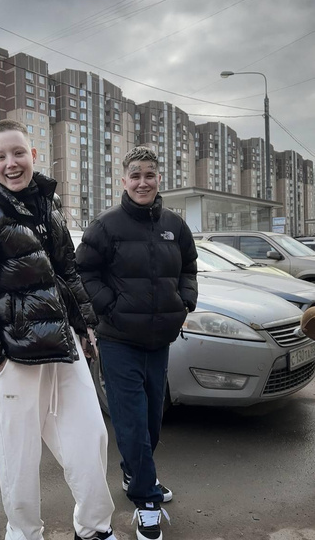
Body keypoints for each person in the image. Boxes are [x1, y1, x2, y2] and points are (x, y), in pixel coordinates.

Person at [0, 119, 116, 540]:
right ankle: (24, 534)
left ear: (33, 155)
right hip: (16, 356)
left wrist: (85, 326)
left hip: (64, 345)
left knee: (90, 436)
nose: (11, 163)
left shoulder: (48, 205)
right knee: (19, 457)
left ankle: (93, 528)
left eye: (18, 153)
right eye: (1, 156)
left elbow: (66, 271)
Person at [76, 146, 198, 540]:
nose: (143, 182)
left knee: (151, 421)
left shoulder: (175, 226)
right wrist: (109, 307)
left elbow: (189, 267)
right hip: (118, 341)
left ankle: (135, 472)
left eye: (150, 174)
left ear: (159, 178)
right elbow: (82, 272)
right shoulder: (106, 226)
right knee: (131, 422)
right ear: (123, 181)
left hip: (159, 340)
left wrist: (185, 301)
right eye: (135, 175)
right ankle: (147, 501)